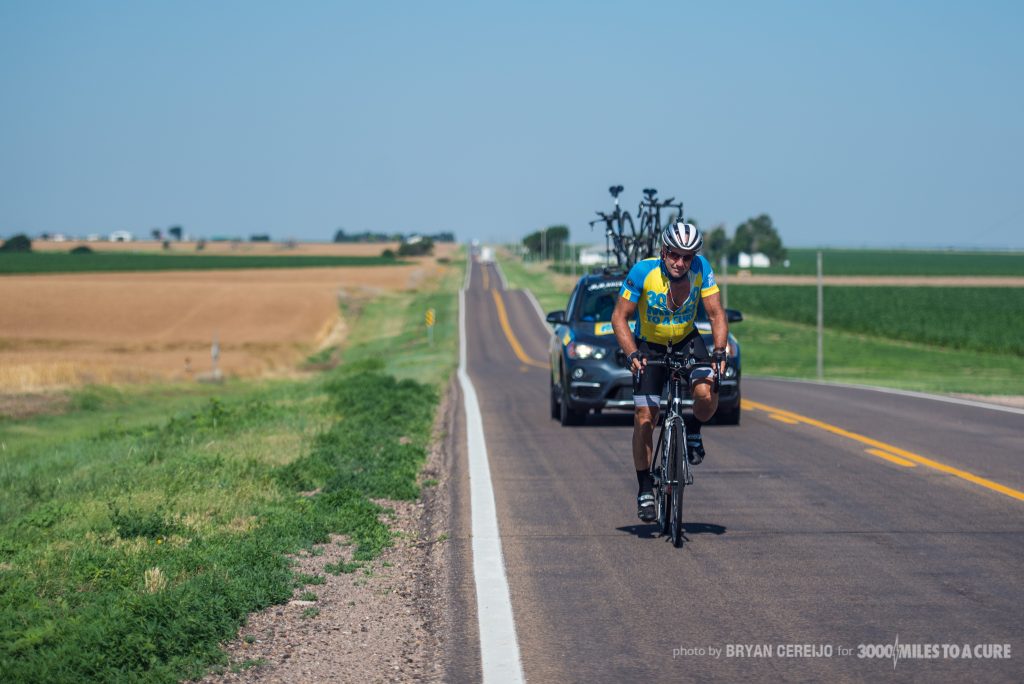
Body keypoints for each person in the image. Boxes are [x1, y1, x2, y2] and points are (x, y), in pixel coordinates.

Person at [610, 221, 729, 522]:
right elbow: (619, 318)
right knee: (645, 418)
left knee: (707, 390)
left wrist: (718, 353)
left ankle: (694, 431)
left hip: (687, 341)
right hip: (650, 345)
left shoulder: (702, 269)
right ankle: (645, 488)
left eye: (687, 257)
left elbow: (716, 314)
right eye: (675, 255)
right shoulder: (643, 272)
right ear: (663, 252)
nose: (680, 262)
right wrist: (632, 353)